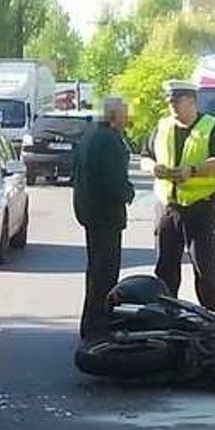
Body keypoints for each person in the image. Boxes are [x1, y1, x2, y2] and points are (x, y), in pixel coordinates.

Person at [148, 81, 215, 313]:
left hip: (199, 207)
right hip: (167, 207)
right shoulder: (162, 126)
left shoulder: (211, 126)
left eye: (176, 102)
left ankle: (211, 317)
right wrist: (153, 168)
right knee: (165, 267)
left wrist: (192, 170)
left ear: (191, 102)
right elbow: (145, 155)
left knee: (204, 267)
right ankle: (166, 315)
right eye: (170, 103)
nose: (172, 107)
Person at [73, 97, 135, 339]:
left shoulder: (90, 134)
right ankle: (98, 326)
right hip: (105, 215)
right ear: (113, 115)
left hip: (90, 212)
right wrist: (128, 193)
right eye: (124, 114)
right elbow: (113, 180)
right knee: (105, 273)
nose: (127, 119)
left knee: (96, 270)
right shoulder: (108, 140)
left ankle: (91, 323)